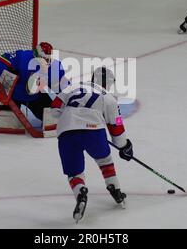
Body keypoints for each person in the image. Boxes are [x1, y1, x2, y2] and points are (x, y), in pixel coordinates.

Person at [50, 67, 134, 222]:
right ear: (109, 83)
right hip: (93, 131)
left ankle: (80, 193)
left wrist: (72, 118)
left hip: (66, 131)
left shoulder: (73, 86)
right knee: (104, 160)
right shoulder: (109, 98)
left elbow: (54, 109)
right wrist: (124, 146)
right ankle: (115, 190)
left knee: (74, 172)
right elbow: (117, 126)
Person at [0, 42, 68, 122]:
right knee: (5, 122)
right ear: (35, 55)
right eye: (43, 58)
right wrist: (5, 73)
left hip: (35, 97)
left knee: (53, 118)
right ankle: (3, 102)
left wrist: (67, 98)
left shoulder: (54, 67)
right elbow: (0, 60)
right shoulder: (22, 57)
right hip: (13, 96)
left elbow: (63, 86)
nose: (46, 61)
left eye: (48, 58)